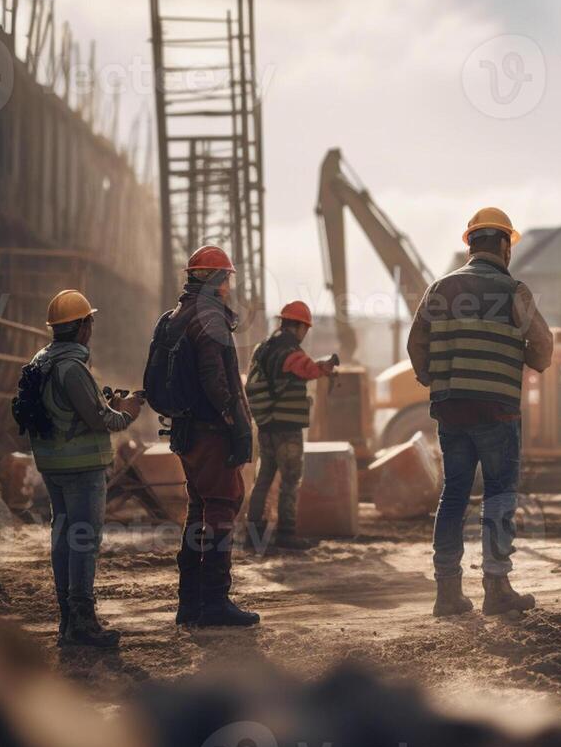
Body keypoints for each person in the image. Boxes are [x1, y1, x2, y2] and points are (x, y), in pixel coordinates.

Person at [407, 207, 553, 617]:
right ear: (504, 245)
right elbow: (542, 350)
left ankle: (447, 593)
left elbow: (416, 344)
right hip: (497, 410)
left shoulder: (439, 289)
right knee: (499, 495)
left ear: (469, 243)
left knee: (453, 495)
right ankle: (496, 587)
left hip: (451, 409)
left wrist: (434, 376)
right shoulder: (513, 292)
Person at [23, 289, 143, 647]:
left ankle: (67, 622)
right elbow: (99, 420)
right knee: (84, 541)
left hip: (53, 464)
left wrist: (106, 403)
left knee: (63, 538)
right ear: (81, 327)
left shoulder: (41, 360)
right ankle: (82, 624)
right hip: (82, 467)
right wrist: (129, 411)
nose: (91, 327)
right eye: (89, 321)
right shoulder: (73, 368)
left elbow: (66, 412)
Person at [164, 245, 259, 627]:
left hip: (186, 431)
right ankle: (215, 603)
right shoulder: (208, 319)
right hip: (210, 432)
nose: (229, 287)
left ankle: (190, 603)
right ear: (218, 280)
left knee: (199, 510)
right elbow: (215, 380)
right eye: (227, 279)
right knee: (221, 506)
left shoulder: (175, 316)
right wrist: (235, 423)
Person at [245, 300, 337, 550]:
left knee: (263, 479)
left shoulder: (262, 348)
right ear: (297, 326)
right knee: (290, 480)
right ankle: (286, 535)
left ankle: (253, 538)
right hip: (286, 428)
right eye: (305, 328)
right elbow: (307, 369)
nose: (305, 334)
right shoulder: (289, 351)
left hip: (264, 425)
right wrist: (325, 367)